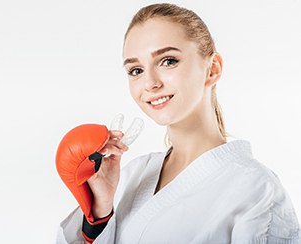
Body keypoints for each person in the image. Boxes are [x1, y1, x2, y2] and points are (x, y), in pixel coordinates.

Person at [56, 3, 300, 243]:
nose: (150, 83)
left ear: (212, 69)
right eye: (136, 70)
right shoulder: (133, 174)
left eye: (168, 61)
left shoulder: (256, 190)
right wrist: (99, 214)